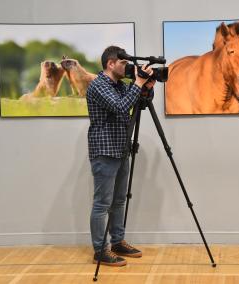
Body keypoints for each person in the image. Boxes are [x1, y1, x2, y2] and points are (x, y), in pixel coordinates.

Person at [86, 45, 155, 267]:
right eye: (124, 63)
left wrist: (147, 88)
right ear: (111, 63)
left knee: (118, 200)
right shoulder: (98, 85)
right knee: (102, 203)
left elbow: (138, 103)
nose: (127, 67)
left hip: (121, 148)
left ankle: (117, 242)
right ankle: (100, 250)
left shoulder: (120, 86)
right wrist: (137, 83)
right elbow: (119, 107)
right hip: (105, 150)